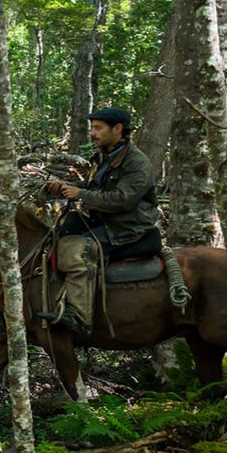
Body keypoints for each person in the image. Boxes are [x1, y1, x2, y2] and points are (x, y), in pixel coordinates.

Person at [42, 107, 161, 337]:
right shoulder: (104, 156)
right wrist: (64, 187)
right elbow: (96, 188)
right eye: (92, 128)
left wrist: (81, 195)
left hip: (128, 227)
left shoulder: (137, 162)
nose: (92, 133)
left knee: (76, 250)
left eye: (98, 128)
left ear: (117, 130)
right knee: (60, 233)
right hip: (104, 220)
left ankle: (79, 317)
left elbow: (122, 200)